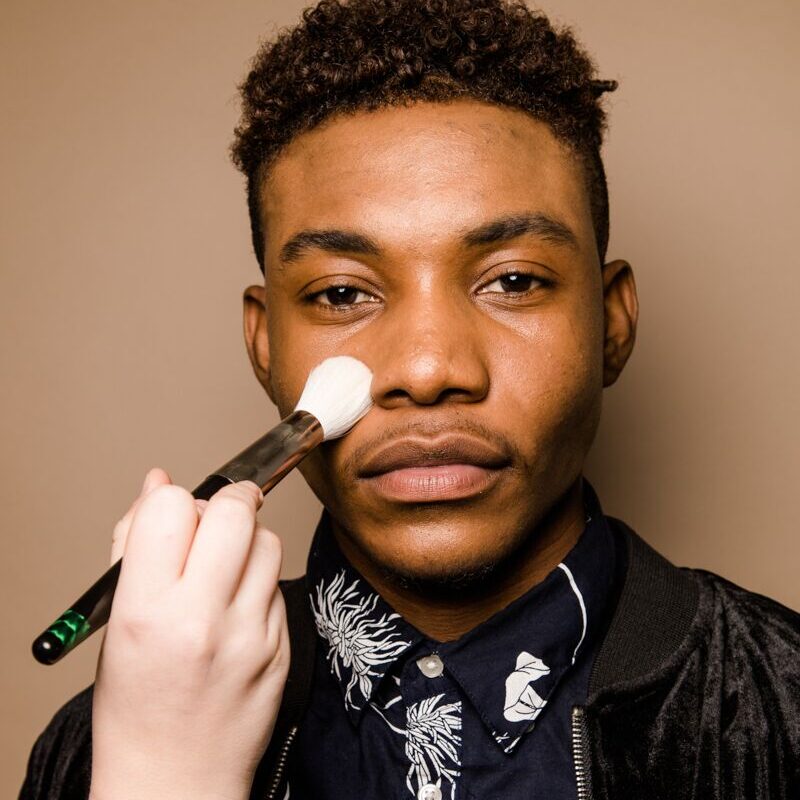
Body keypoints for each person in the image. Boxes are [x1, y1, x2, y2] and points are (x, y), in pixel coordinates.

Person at [19, 1, 800, 798]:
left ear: (613, 323)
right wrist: (163, 773)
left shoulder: (779, 704)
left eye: (514, 281)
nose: (427, 370)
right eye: (341, 293)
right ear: (264, 346)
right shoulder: (106, 752)